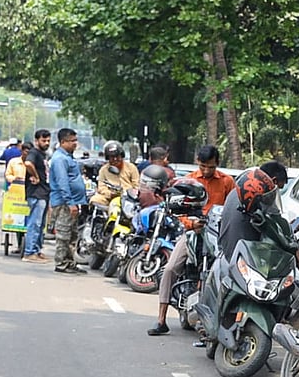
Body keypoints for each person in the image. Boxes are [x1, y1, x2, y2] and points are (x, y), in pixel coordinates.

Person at [146, 146, 234, 335]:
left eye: (210, 167)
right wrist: (191, 224)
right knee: (170, 269)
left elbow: (233, 208)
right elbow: (179, 211)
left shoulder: (227, 182)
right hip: (192, 233)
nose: (206, 170)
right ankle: (161, 319)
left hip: (217, 236)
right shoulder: (188, 181)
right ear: (198, 163)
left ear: (217, 164)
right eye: (203, 166)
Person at [48, 128, 88, 274]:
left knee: (72, 235)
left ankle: (70, 262)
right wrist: (70, 203)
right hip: (64, 203)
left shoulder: (68, 157)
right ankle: (61, 263)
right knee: (64, 235)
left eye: (76, 140)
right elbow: (62, 182)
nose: (75, 143)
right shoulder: (60, 159)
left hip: (72, 202)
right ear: (63, 142)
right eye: (72, 141)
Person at [22, 129, 52, 263]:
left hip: (44, 193)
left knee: (40, 225)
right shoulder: (34, 152)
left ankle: (37, 250)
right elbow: (28, 163)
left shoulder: (43, 154)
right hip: (36, 193)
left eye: (48, 141)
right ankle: (29, 252)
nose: (46, 143)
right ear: (36, 141)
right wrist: (35, 175)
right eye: (43, 140)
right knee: (35, 223)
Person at [89, 141, 140, 205]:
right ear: (108, 158)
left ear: (122, 155)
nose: (115, 159)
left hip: (128, 198)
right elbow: (101, 187)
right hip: (110, 198)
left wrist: (129, 193)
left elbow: (136, 185)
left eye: (117, 156)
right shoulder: (103, 170)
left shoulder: (131, 167)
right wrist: (110, 194)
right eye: (112, 157)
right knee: (94, 199)